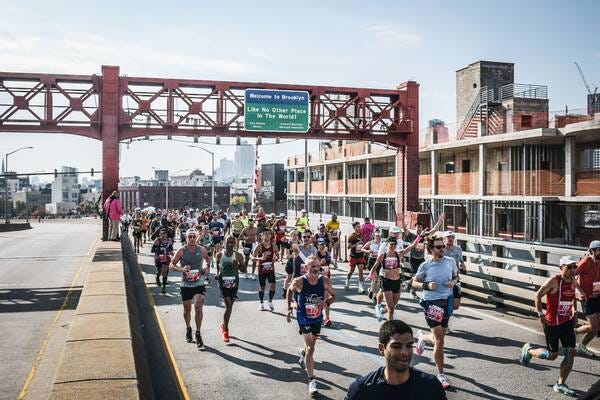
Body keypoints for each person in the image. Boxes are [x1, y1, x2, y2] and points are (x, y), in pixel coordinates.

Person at [520, 256, 580, 398]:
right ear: (561, 268)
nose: (572, 270)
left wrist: (575, 312)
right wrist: (540, 314)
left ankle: (560, 384)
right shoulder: (554, 281)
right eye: (569, 267)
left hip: (566, 323)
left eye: (574, 267)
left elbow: (573, 298)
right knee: (552, 356)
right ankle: (529, 352)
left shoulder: (573, 281)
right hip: (552, 324)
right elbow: (538, 295)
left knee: (570, 352)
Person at [345, 320, 447, 400]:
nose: (405, 352)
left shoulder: (430, 385)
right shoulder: (362, 389)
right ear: (382, 349)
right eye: (396, 346)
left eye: (409, 346)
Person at [412, 236, 458, 389]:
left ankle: (422, 337)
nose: (442, 249)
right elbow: (414, 282)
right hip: (431, 302)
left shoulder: (450, 262)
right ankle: (441, 374)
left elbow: (456, 276)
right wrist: (426, 285)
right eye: (438, 247)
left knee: (441, 334)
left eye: (443, 246)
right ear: (431, 249)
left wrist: (453, 282)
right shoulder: (426, 265)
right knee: (440, 340)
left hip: (447, 300)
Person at [286, 255, 336, 396]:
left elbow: (334, 296)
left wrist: (325, 303)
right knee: (311, 347)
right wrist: (289, 309)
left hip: (317, 318)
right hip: (303, 317)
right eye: (312, 266)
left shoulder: (325, 281)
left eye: (317, 266)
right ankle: (312, 380)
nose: (315, 269)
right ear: (306, 268)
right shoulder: (299, 281)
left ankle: (302, 353)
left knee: (310, 346)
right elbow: (290, 290)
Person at [169, 229, 211, 349]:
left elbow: (208, 259)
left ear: (196, 237)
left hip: (199, 282)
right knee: (187, 310)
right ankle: (188, 328)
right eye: (190, 237)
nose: (192, 238)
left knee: (198, 305)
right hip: (186, 284)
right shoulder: (181, 251)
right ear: (186, 238)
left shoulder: (201, 249)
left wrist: (206, 267)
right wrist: (182, 270)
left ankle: (198, 333)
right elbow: (172, 265)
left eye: (194, 236)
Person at [371, 237, 419, 322]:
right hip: (387, 282)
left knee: (394, 305)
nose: (393, 246)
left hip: (397, 282)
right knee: (391, 308)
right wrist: (372, 275)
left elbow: (411, 246)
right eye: (391, 244)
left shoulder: (398, 254)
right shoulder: (383, 256)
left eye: (394, 244)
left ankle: (382, 311)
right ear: (387, 244)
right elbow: (374, 266)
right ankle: (390, 326)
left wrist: (419, 237)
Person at [402, 213, 444, 299]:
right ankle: (413, 291)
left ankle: (409, 283)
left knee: (419, 276)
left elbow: (434, 230)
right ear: (415, 228)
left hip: (421, 259)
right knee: (416, 276)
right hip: (413, 258)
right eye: (418, 227)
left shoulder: (425, 236)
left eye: (421, 227)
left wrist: (440, 221)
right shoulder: (412, 236)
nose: (419, 229)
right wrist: (402, 220)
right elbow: (405, 230)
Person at [215, 235, 244, 342]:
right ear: (224, 243)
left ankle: (223, 324)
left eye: (232, 242)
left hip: (234, 284)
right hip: (223, 283)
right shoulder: (219, 255)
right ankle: (226, 331)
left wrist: (238, 266)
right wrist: (217, 274)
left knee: (230, 306)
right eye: (228, 242)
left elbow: (244, 270)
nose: (230, 245)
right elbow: (218, 268)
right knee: (228, 305)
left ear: (235, 243)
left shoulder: (238, 256)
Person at [575, 240, 600, 356]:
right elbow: (571, 275)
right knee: (594, 328)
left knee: (595, 327)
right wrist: (580, 290)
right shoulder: (586, 261)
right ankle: (581, 345)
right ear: (593, 251)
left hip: (597, 296)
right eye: (599, 250)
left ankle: (572, 333)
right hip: (587, 298)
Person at [253, 230, 279, 311]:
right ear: (262, 236)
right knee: (262, 286)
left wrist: (276, 258)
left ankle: (270, 301)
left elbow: (277, 255)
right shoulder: (259, 246)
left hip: (270, 268)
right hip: (262, 269)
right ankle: (261, 303)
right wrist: (260, 258)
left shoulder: (273, 245)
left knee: (273, 285)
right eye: (265, 234)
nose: (267, 236)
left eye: (269, 234)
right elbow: (252, 258)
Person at [442, 231, 466, 316]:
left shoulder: (458, 249)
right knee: (444, 301)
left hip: (455, 278)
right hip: (445, 279)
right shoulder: (441, 250)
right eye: (448, 237)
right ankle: (445, 317)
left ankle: (447, 311)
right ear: (444, 239)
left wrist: (463, 265)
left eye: (452, 237)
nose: (451, 239)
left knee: (456, 305)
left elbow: (461, 259)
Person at [316, 238, 333, 326]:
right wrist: (319, 262)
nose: (322, 245)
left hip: (327, 278)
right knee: (319, 298)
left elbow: (329, 264)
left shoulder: (327, 254)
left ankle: (327, 318)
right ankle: (317, 316)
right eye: (320, 244)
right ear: (317, 245)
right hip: (317, 278)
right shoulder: (316, 254)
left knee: (327, 298)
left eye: (323, 243)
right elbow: (312, 266)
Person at [151, 228, 174, 294]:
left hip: (166, 258)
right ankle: (157, 277)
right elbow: (152, 250)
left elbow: (171, 249)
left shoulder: (169, 240)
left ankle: (164, 288)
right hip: (159, 258)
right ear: (160, 234)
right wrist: (159, 252)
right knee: (159, 271)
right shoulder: (157, 240)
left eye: (165, 234)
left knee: (165, 272)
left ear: (167, 234)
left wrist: (172, 253)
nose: (164, 235)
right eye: (162, 234)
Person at [347, 221, 367, 293]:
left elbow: (363, 243)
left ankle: (360, 287)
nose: (359, 228)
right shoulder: (352, 236)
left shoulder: (361, 234)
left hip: (360, 255)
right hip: (353, 256)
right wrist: (356, 244)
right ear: (354, 228)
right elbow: (349, 247)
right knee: (351, 271)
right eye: (357, 227)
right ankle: (347, 280)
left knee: (361, 270)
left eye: (359, 226)